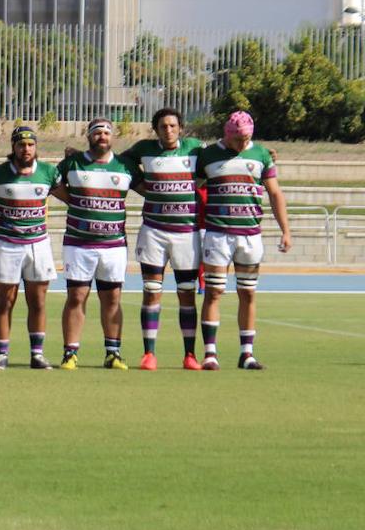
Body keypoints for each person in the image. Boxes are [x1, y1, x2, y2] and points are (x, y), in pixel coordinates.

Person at [194, 110, 291, 370]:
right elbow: (192, 186)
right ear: (228, 134)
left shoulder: (260, 154)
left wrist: (286, 230)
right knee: (213, 292)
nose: (242, 144)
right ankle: (210, 353)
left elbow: (274, 193)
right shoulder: (208, 155)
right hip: (218, 234)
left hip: (249, 234)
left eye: (246, 138)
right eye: (238, 139)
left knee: (248, 292)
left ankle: (246, 353)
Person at [120, 108, 204, 370]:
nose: (168, 130)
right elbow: (119, 163)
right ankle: (149, 354)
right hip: (154, 232)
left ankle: (190, 355)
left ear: (181, 128)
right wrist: (140, 185)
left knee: (187, 294)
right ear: (155, 129)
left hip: (186, 234)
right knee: (151, 292)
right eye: (163, 126)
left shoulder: (195, 148)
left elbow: (222, 157)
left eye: (172, 126)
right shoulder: (143, 148)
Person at [52, 119, 138, 370]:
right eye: (97, 132)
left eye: (106, 132)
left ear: (112, 137)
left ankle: (113, 352)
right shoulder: (73, 163)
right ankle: (70, 353)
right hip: (79, 243)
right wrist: (76, 202)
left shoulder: (125, 165)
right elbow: (52, 183)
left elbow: (147, 188)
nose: (102, 136)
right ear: (89, 136)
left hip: (114, 245)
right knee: (76, 296)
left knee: (112, 298)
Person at [0, 127, 61, 370]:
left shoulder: (48, 172)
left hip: (38, 244)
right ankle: (1, 354)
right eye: (21, 145)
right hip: (7, 245)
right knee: (5, 300)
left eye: (30, 145)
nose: (26, 149)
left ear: (35, 147)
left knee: (38, 301)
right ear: (13, 147)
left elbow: (69, 196)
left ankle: (37, 354)